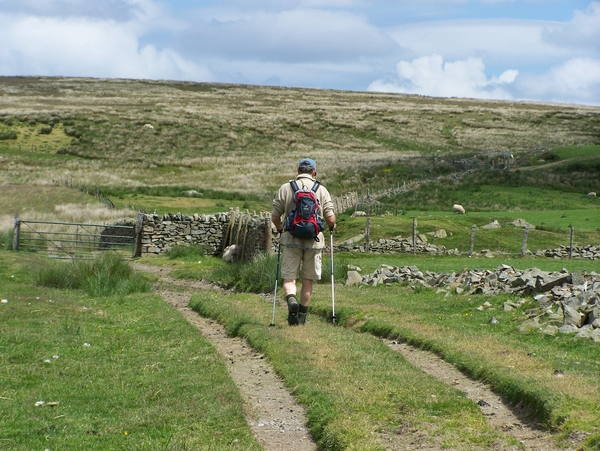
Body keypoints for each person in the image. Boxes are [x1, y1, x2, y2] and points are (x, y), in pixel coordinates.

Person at [271, 158, 336, 326]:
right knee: (307, 280)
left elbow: (275, 216)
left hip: (292, 239)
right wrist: (332, 226)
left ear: (298, 171)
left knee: (289, 278)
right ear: (314, 173)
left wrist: (280, 229)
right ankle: (301, 318)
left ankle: (291, 299)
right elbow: (330, 217)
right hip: (314, 242)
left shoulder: (286, 188)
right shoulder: (321, 190)